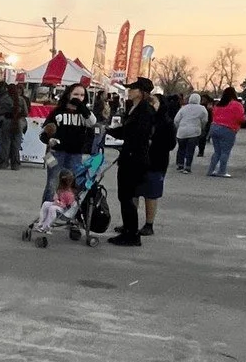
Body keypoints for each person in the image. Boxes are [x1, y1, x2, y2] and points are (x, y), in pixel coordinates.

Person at [106, 77, 156, 246]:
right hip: (129, 156)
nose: (129, 91)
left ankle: (132, 234)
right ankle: (128, 229)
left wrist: (122, 139)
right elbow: (127, 130)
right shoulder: (133, 108)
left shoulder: (145, 110)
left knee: (127, 196)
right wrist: (110, 131)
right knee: (125, 196)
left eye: (132, 89)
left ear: (141, 92)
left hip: (135, 158)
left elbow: (138, 134)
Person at [40, 82, 97, 201]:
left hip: (75, 154)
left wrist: (82, 107)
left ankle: (66, 209)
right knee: (52, 184)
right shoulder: (58, 111)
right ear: (68, 95)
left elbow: (92, 122)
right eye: (75, 94)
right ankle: (47, 209)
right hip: (56, 153)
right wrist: (49, 140)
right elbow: (43, 132)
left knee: (71, 185)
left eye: (82, 95)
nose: (79, 97)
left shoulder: (85, 113)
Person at [136, 94, 178, 236]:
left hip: (156, 162)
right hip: (138, 161)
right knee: (134, 193)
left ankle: (149, 224)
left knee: (151, 194)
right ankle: (130, 222)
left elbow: (171, 144)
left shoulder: (166, 123)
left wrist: (153, 142)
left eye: (153, 102)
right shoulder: (140, 118)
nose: (150, 105)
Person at [206, 87, 246, 178]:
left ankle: (210, 170)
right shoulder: (236, 104)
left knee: (217, 151)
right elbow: (240, 118)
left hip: (214, 127)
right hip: (228, 129)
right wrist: (245, 119)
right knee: (225, 151)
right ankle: (222, 171)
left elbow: (213, 115)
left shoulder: (218, 104)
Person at [0, 82, 28, 171]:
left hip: (6, 122)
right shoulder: (21, 99)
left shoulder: (4, 99)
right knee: (16, 144)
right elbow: (25, 112)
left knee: (5, 143)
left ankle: (4, 163)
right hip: (18, 123)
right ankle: (15, 164)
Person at [175, 91, 209, 172]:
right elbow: (205, 120)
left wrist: (178, 127)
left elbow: (176, 120)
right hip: (194, 131)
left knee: (181, 148)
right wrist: (202, 127)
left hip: (182, 131)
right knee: (190, 149)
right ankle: (187, 166)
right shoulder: (202, 109)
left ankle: (180, 164)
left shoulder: (184, 108)